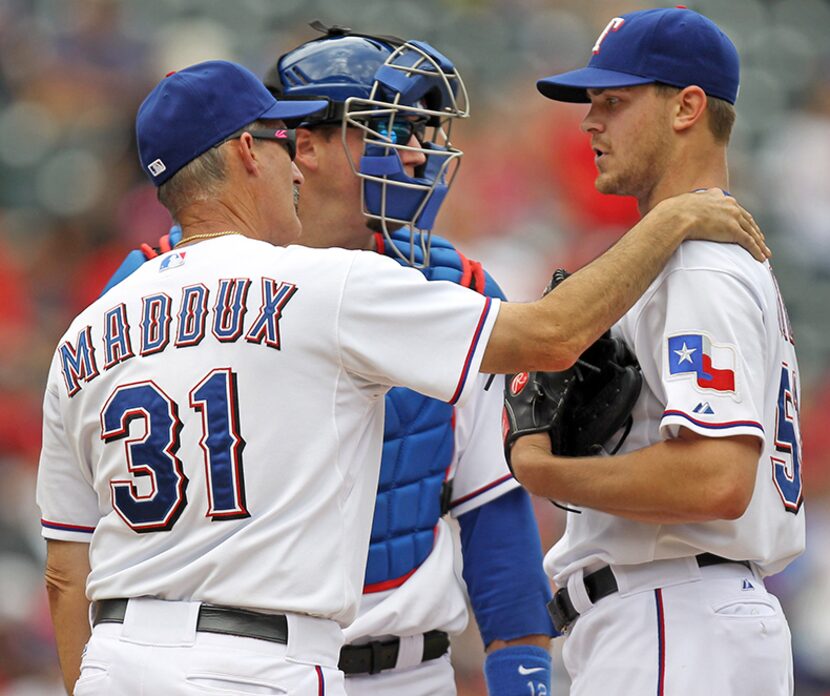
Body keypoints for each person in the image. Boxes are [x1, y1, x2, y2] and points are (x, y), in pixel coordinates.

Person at [37, 57, 765, 696]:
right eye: (281, 140)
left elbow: (67, 571)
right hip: (263, 659)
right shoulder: (326, 286)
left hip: (126, 655)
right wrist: (673, 221)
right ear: (250, 154)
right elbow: (549, 336)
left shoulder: (91, 326)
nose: (417, 155)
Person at [508, 8, 804, 696]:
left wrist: (544, 471)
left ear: (687, 107)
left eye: (613, 102)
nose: (590, 122)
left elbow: (714, 480)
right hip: (688, 614)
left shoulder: (696, 264)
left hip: (674, 620)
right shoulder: (688, 256)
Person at [264, 27, 555, 696]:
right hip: (250, 667)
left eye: (425, 132)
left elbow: (493, 508)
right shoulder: (187, 279)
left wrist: (524, 674)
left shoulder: (462, 288)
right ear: (304, 144)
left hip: (410, 672)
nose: (420, 155)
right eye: (394, 130)